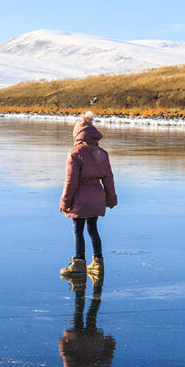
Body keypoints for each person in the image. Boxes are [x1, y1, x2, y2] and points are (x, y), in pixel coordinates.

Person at [59, 111, 117, 275]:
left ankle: (79, 263)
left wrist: (65, 203)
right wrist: (110, 199)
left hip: (81, 197)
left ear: (77, 135)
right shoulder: (102, 154)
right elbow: (109, 178)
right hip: (97, 196)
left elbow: (71, 182)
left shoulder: (75, 154)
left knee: (78, 229)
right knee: (93, 228)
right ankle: (98, 263)